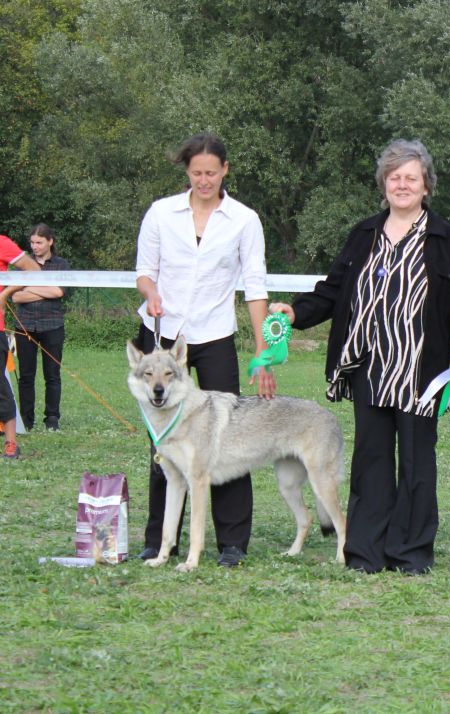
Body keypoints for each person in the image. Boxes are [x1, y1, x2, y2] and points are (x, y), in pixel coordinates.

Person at [270, 139, 450, 575]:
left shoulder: (446, 238)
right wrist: (296, 312)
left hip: (421, 372)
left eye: (411, 177)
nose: (402, 184)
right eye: (394, 177)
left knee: (416, 463)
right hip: (369, 366)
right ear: (384, 183)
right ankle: (366, 553)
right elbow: (333, 291)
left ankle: (409, 554)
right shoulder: (364, 233)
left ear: (426, 185)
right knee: (371, 462)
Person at [133, 132, 276, 568]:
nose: (204, 180)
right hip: (161, 334)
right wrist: (151, 291)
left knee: (228, 435)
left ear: (225, 170)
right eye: (196, 173)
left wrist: (262, 352)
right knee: (163, 443)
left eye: (211, 172)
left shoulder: (244, 220)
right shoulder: (161, 213)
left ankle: (232, 542)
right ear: (187, 172)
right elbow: (144, 271)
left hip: (213, 337)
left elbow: (255, 287)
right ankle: (162, 540)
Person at [12, 224, 70, 432]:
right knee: (26, 376)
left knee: (52, 375)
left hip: (53, 325)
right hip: (24, 325)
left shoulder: (61, 265)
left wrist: (31, 289)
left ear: (50, 242)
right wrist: (45, 290)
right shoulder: (22, 265)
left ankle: (52, 418)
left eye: (39, 242)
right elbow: (16, 295)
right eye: (32, 242)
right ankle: (27, 420)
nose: (34, 246)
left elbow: (59, 292)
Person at [0, 233, 42, 459]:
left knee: (0, 387)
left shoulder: (2, 243)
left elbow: (33, 270)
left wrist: (6, 293)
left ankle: (11, 444)